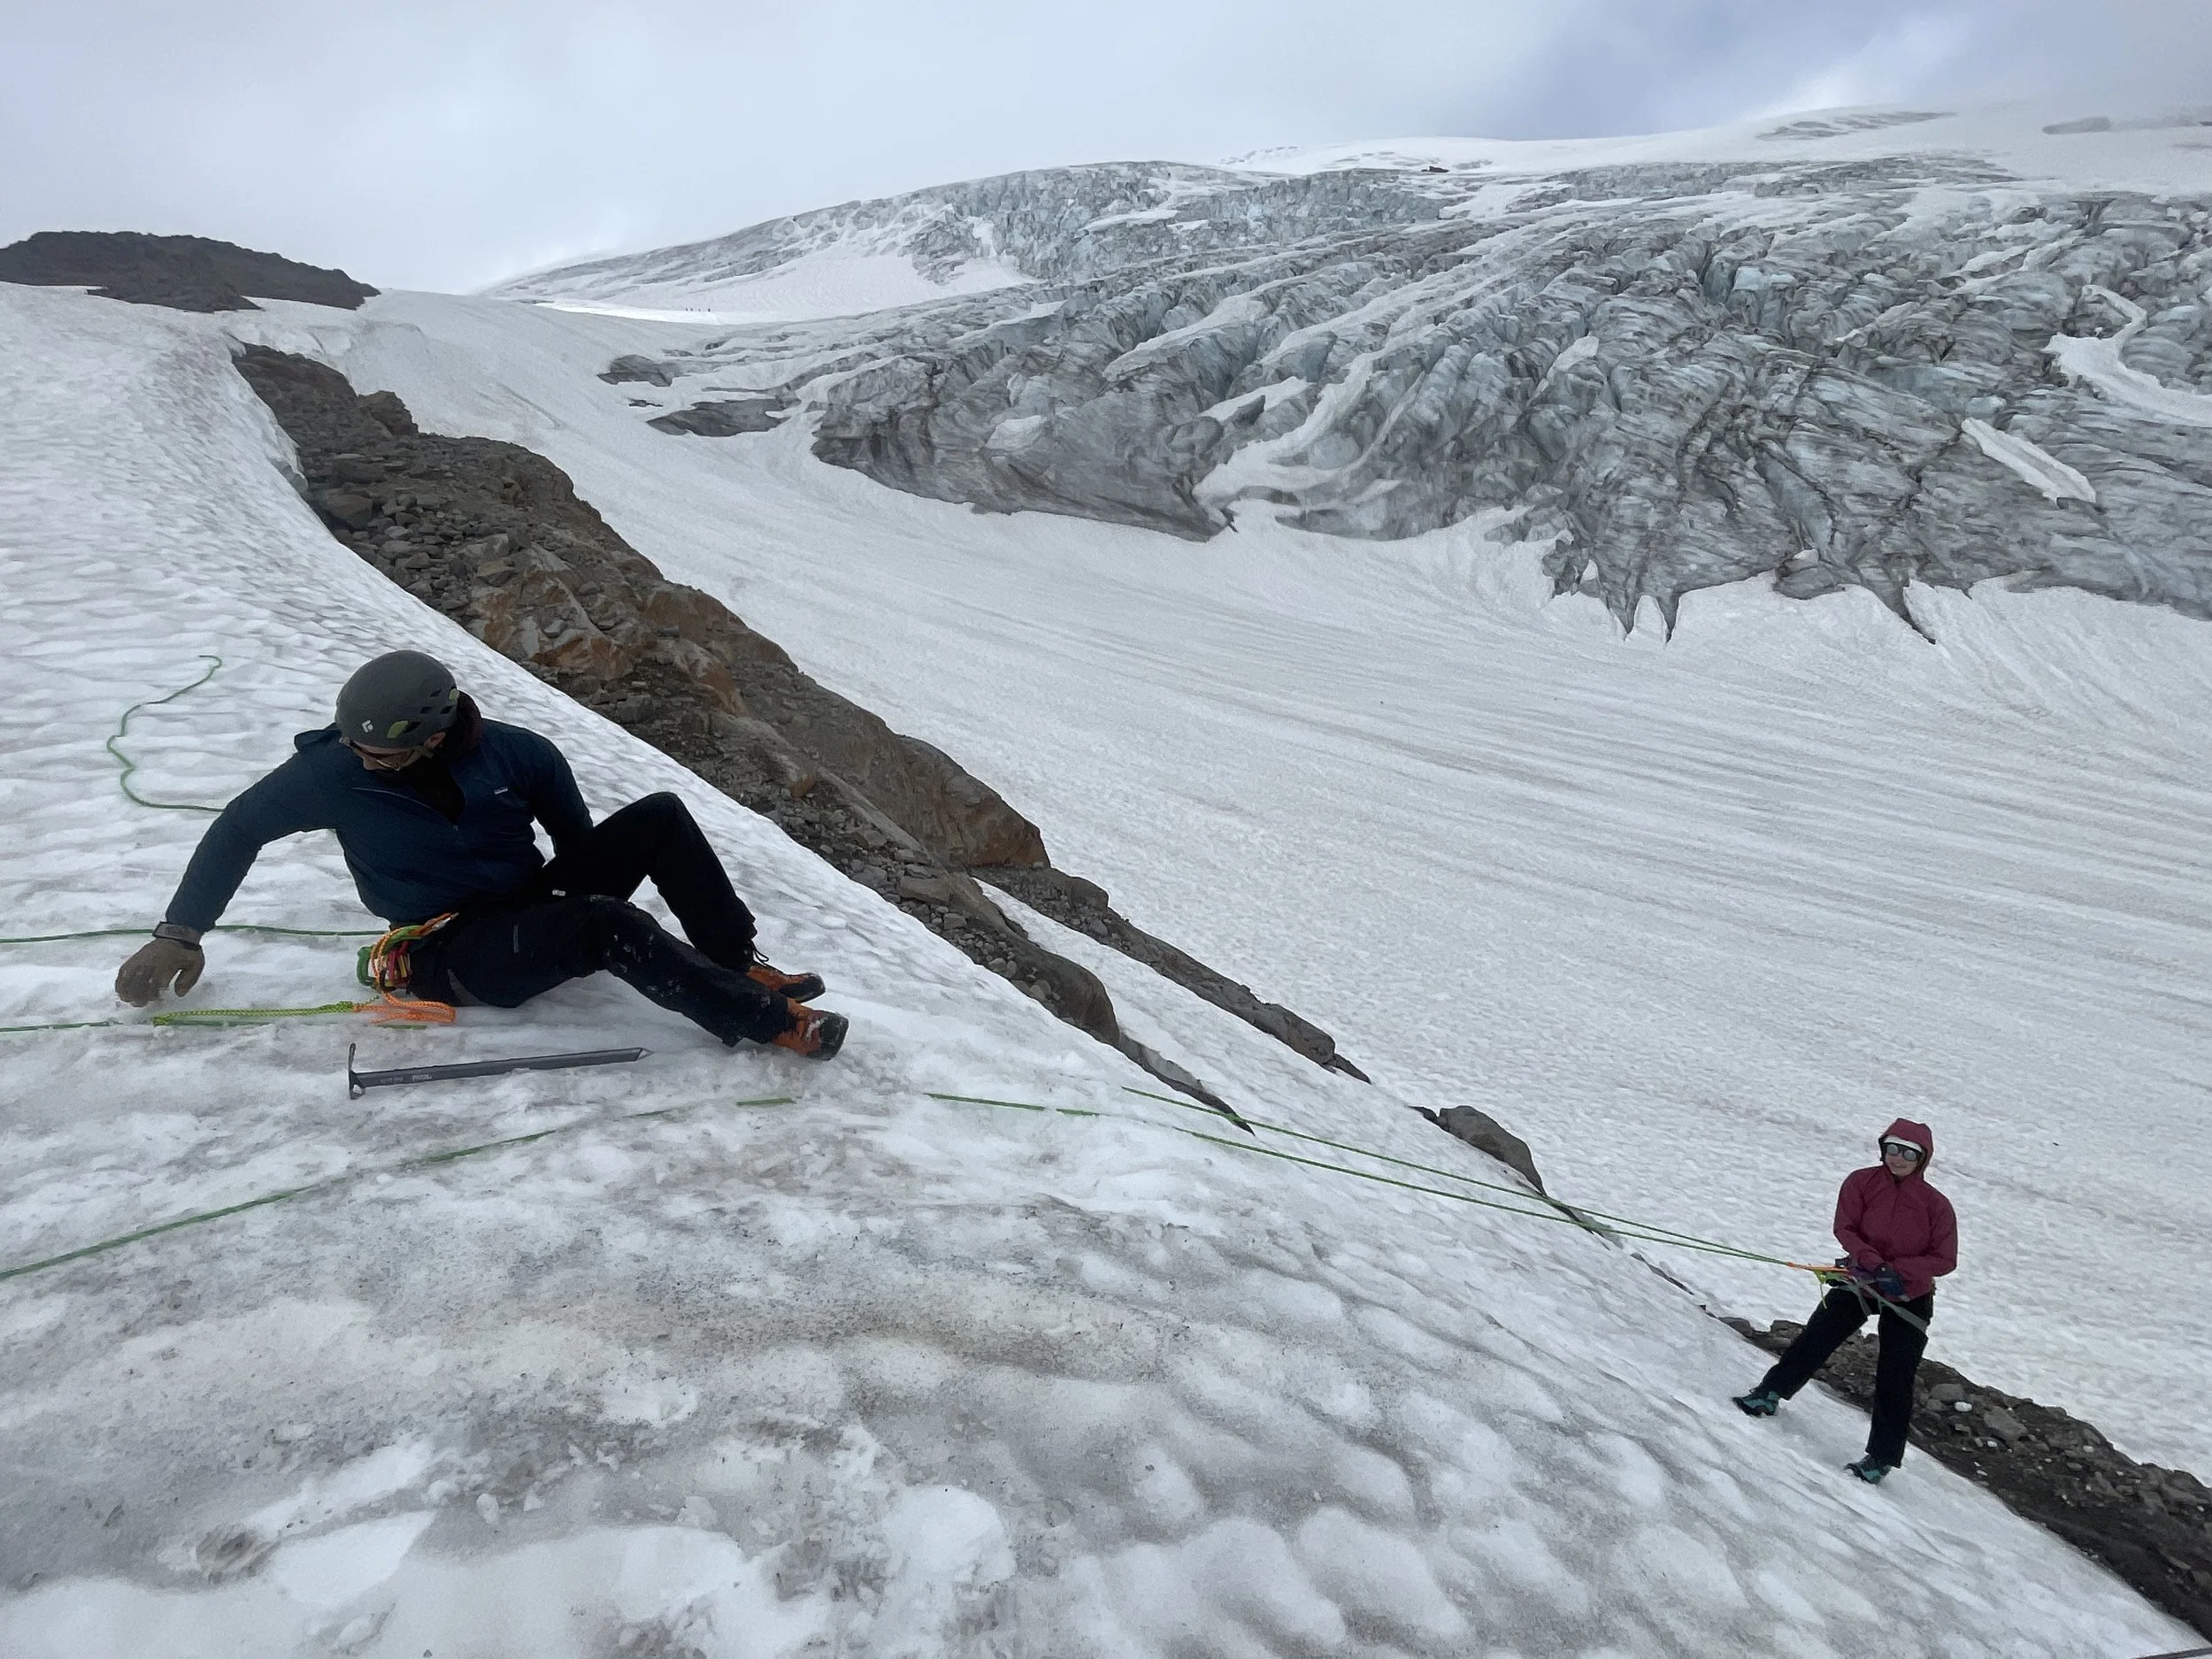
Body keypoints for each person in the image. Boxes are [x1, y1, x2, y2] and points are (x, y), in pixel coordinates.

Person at [114, 649, 846, 1058]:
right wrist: (179, 932)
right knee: (600, 923)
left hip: (522, 902)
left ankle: (735, 958)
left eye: (379, 752)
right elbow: (238, 829)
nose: (360, 761)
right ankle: (765, 1019)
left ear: (432, 734)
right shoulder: (328, 774)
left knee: (660, 816)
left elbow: (578, 847)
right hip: (447, 948)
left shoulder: (521, 756)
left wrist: (572, 910)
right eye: (356, 747)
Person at [1732, 1119, 1956, 1484]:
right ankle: (1769, 1393)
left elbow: (1945, 1259)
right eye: (1892, 1149)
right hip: (1863, 1280)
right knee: (1817, 1336)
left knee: (1895, 1373)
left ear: (1922, 1158)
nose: (1897, 1158)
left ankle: (1881, 1457)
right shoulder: (1861, 1182)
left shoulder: (1936, 1206)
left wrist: (1899, 1270)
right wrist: (1873, 1263)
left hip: (1908, 1294)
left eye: (1908, 1153)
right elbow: (1845, 1227)